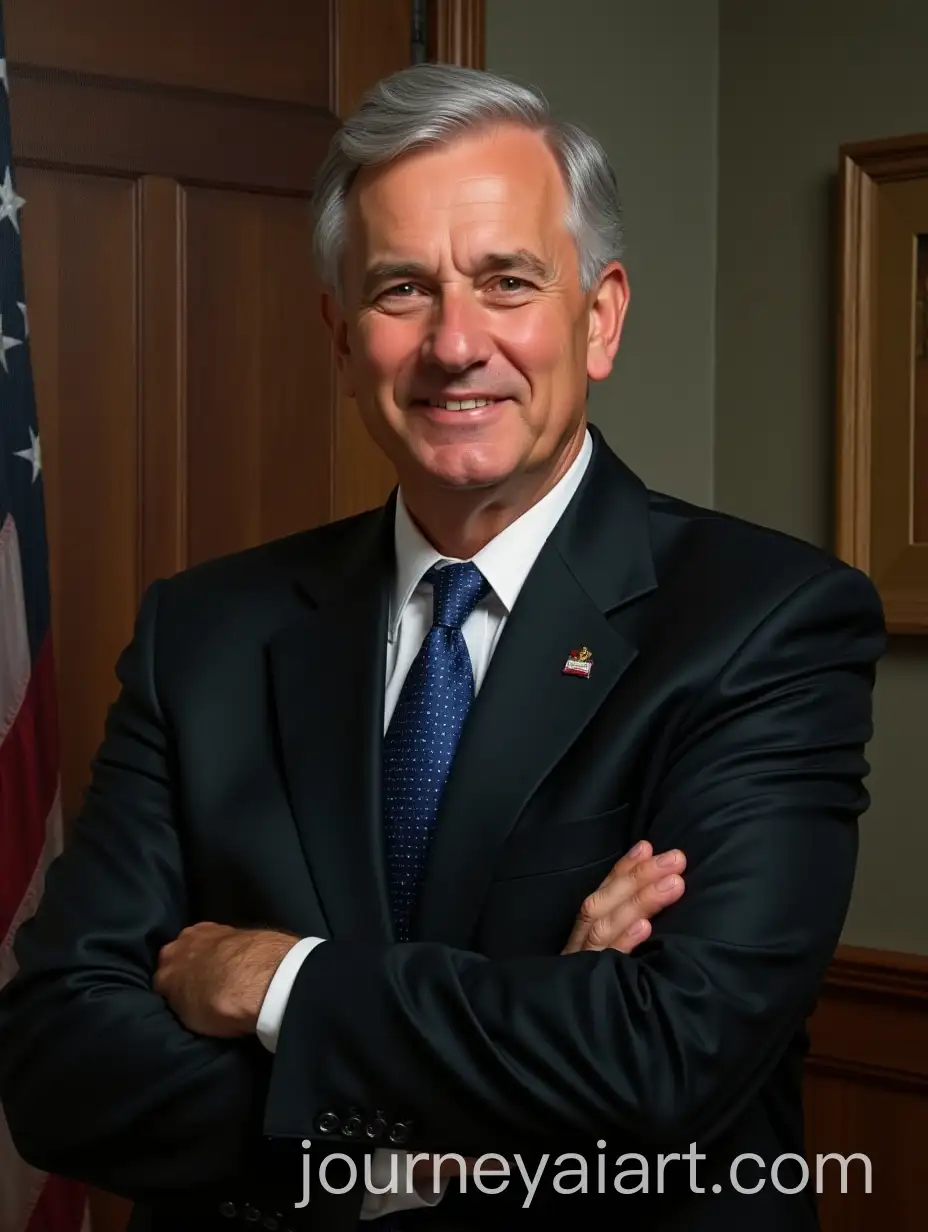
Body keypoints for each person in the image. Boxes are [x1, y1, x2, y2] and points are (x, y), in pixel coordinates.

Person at [0, 63, 885, 1231]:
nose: (455, 343)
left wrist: (280, 979)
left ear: (601, 314)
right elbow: (59, 1065)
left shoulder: (765, 621)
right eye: (402, 288)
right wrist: (430, 1143)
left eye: (507, 281)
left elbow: (668, 1056)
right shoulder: (205, 635)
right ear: (339, 331)